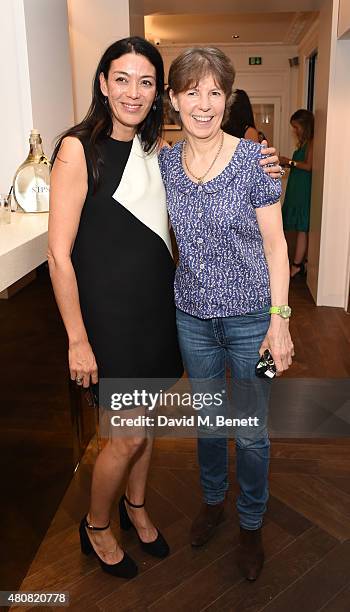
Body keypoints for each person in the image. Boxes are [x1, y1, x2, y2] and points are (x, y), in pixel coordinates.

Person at [48, 37, 281, 580]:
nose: (134, 91)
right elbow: (58, 254)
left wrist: (281, 322)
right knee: (132, 431)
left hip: (180, 316)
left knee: (177, 426)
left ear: (159, 97)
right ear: (103, 83)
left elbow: (267, 235)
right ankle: (98, 525)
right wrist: (77, 338)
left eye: (145, 81)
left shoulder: (163, 152)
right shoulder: (82, 149)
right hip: (132, 319)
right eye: (123, 78)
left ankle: (150, 510)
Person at [158, 47, 294, 581]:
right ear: (172, 99)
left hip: (253, 321)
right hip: (193, 320)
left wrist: (279, 320)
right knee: (210, 421)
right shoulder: (164, 163)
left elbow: (278, 247)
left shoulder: (254, 163)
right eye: (192, 91)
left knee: (253, 430)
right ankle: (213, 503)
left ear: (228, 98)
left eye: (215, 91)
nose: (204, 103)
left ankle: (251, 522)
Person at [280, 109, 314, 278]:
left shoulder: (312, 143)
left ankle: (297, 265)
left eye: (296, 127)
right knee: (294, 227)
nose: (295, 130)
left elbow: (309, 166)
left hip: (303, 188)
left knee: (302, 227)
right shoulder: (303, 143)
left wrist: (289, 161)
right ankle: (296, 262)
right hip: (296, 186)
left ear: (305, 126)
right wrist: (286, 164)